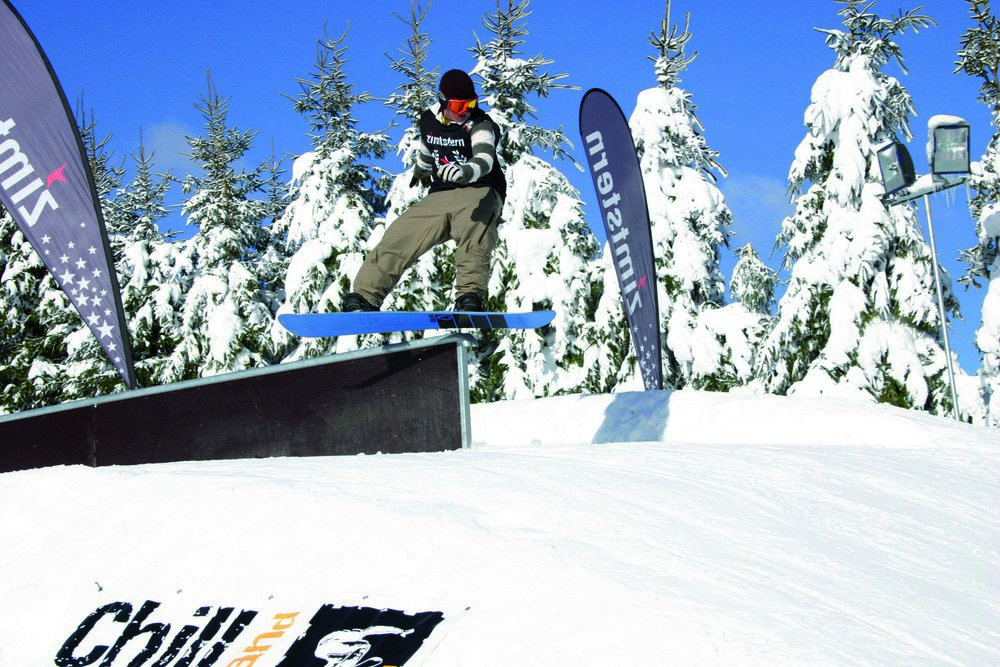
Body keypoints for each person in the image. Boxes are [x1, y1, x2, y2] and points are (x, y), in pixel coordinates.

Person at [342, 69, 506, 313]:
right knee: (401, 234)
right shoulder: (428, 120)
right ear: (443, 102)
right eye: (461, 106)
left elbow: (485, 157)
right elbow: (428, 147)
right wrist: (421, 170)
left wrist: (466, 171)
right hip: (441, 193)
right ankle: (365, 295)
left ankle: (470, 295)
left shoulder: (481, 124)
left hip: (479, 188)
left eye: (471, 103)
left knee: (475, 231)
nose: (467, 110)